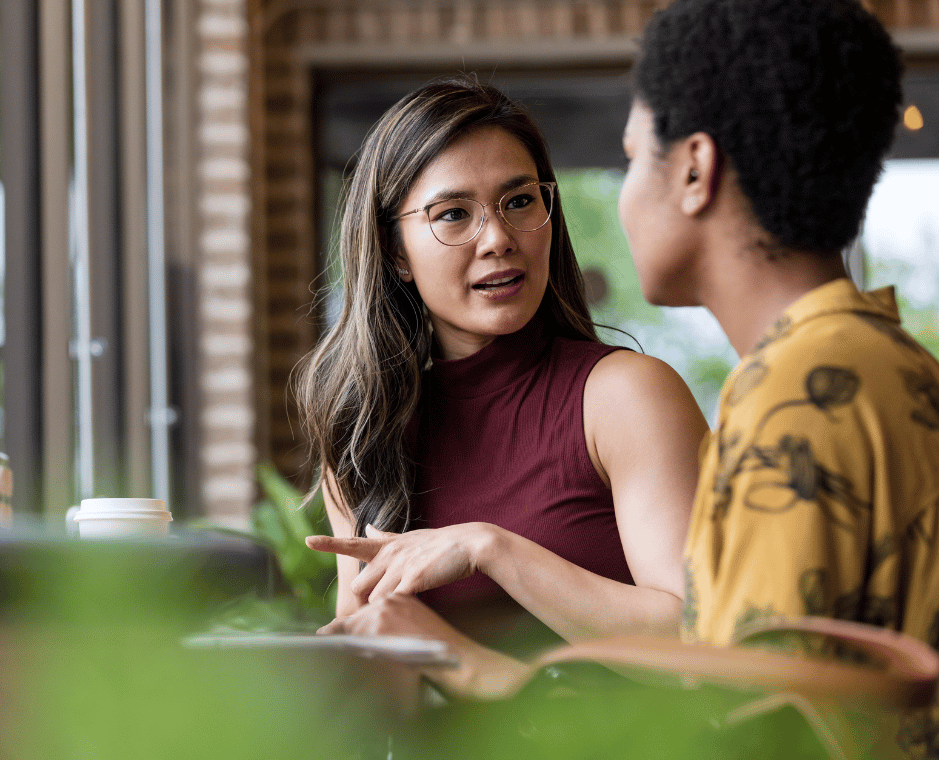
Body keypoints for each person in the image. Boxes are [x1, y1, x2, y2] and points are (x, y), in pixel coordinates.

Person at [296, 75, 709, 700]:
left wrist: (489, 548)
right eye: (453, 214)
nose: (498, 239)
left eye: (519, 201)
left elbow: (701, 646)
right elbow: (378, 678)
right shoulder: (364, 438)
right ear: (395, 252)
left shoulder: (624, 397)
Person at [618, 0, 939, 753]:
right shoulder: (892, 364)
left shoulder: (796, 394)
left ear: (695, 169)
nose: (627, 191)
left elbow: (748, 727)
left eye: (634, 155)